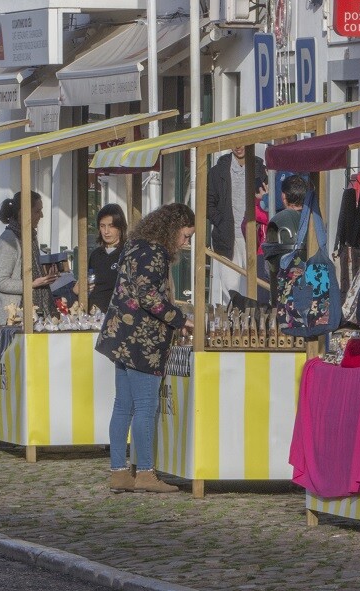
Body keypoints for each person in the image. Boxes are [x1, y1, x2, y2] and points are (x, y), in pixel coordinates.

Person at [96, 203, 195, 494]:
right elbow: (148, 295)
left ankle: (118, 472)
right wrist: (180, 319)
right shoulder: (155, 252)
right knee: (144, 406)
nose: (185, 242)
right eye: (185, 235)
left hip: (121, 335)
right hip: (142, 340)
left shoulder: (135, 245)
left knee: (122, 405)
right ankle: (146, 474)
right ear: (172, 229)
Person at [206, 145, 267, 305]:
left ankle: (253, 322)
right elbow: (208, 203)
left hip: (255, 237)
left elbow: (269, 201)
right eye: (234, 143)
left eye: (242, 142)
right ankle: (231, 323)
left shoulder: (261, 169)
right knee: (230, 286)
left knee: (256, 284)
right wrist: (222, 223)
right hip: (227, 237)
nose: (238, 147)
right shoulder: (217, 171)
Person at [0, 191, 59, 326]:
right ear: (23, 213)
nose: (41, 215)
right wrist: (32, 283)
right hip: (13, 318)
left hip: (31, 315)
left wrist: (47, 275)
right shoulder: (9, 240)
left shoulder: (30, 237)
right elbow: (0, 281)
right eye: (37, 211)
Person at [262, 174, 308, 306]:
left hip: (284, 287)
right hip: (310, 288)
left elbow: (271, 258)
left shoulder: (279, 219)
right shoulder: (313, 218)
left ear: (283, 197)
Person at [87, 203, 127, 313]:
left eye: (111, 226)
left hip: (118, 317)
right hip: (93, 317)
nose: (106, 231)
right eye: (102, 226)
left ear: (120, 227)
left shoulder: (127, 254)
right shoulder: (96, 255)